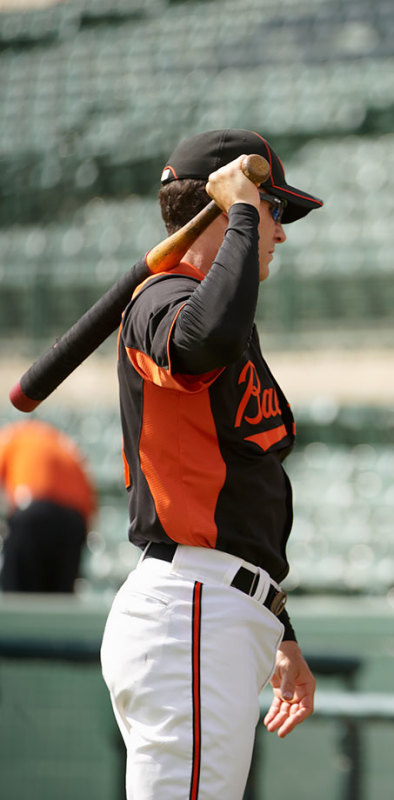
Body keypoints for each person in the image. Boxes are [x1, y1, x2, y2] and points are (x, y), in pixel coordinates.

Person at [98, 129, 323, 799]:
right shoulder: (159, 301)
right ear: (223, 208)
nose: (279, 233)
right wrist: (246, 219)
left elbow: (239, 498)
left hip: (213, 609)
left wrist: (280, 627)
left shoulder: (202, 306)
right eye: (274, 210)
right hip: (190, 610)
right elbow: (200, 343)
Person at [0, 419, 96, 592]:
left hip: (32, 516)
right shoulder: (61, 443)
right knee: (58, 601)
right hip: (74, 523)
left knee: (19, 599)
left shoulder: (13, 437)